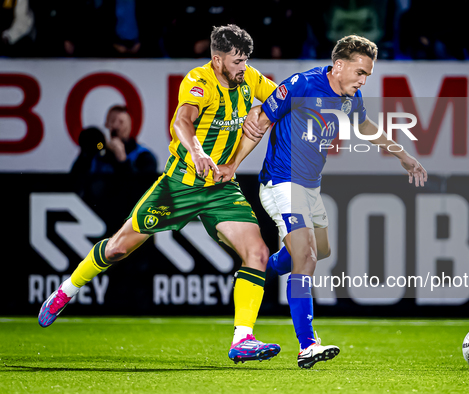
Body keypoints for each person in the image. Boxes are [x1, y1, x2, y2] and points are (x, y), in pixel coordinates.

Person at [38, 24, 282, 364]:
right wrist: (197, 151)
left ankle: (243, 339)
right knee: (118, 249)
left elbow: (282, 99)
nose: (243, 67)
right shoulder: (199, 81)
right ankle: (66, 291)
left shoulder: (250, 79)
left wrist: (288, 106)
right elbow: (182, 121)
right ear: (217, 60)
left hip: (220, 188)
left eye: (246, 60)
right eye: (237, 61)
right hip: (179, 185)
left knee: (256, 252)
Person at [214, 35, 428, 368]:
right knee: (308, 256)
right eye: (360, 72)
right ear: (339, 65)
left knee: (321, 251)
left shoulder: (349, 98)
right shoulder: (302, 84)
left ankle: (258, 270)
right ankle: (307, 344)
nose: (363, 80)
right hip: (282, 183)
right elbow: (261, 123)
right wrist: (232, 166)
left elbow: (366, 125)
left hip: (310, 187)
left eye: (367, 75)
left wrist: (403, 155)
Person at [99, 105, 158, 174]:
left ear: (129, 127)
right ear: (106, 125)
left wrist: (122, 160)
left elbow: (143, 182)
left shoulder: (144, 157)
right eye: (112, 121)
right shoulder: (99, 155)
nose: (115, 126)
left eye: (121, 122)